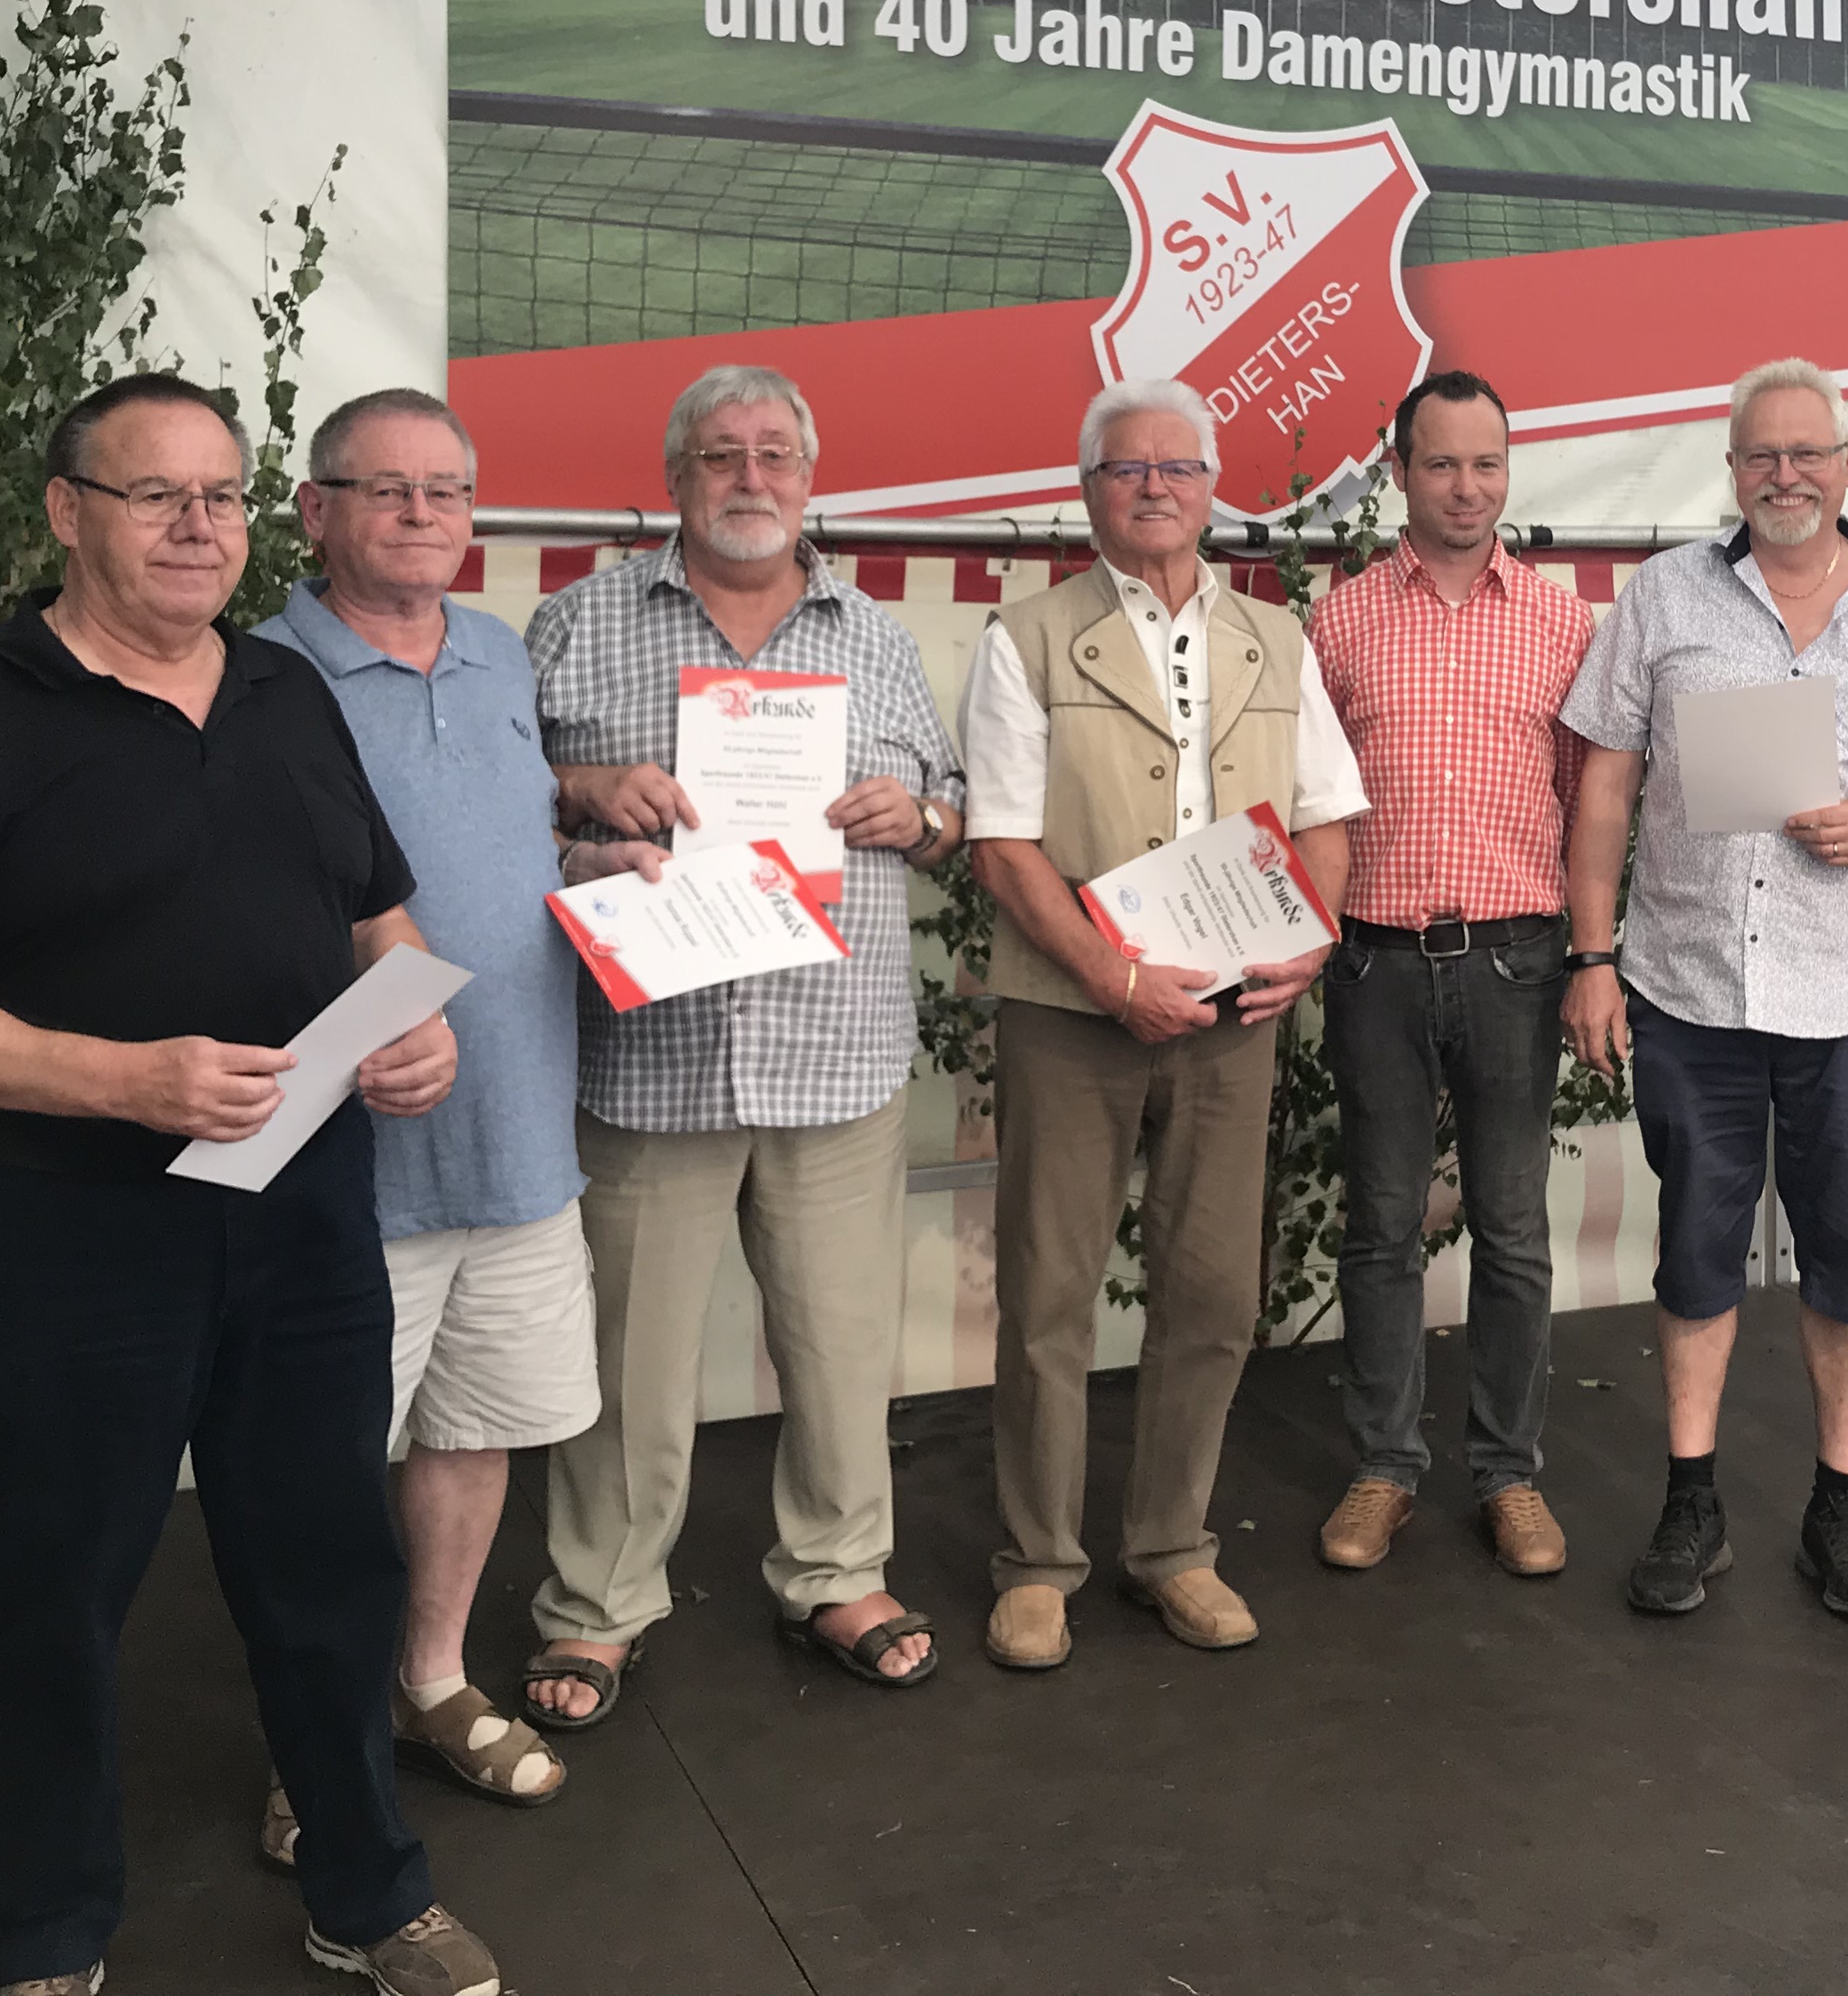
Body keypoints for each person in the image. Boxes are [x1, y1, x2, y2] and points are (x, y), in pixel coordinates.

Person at [0, 372, 501, 1996]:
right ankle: (44, 1933)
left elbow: (377, 915)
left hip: (301, 1216)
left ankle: (367, 1891)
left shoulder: (284, 691)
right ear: (67, 513)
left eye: (220, 495)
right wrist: (125, 1079)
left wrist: (413, 1023)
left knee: (330, 1568)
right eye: (156, 495)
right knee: (59, 1595)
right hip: (54, 1240)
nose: (200, 527)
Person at [521, 364, 967, 1718]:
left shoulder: (877, 637)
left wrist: (920, 819)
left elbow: (950, 805)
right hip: (650, 1052)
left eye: (776, 453)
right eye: (721, 455)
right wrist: (581, 787)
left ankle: (837, 1570)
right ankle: (598, 1605)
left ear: (810, 479)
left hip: (835, 1051)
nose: (751, 477)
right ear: (676, 478)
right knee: (630, 1363)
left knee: (839, 1346)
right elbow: (499, 802)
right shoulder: (578, 621)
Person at [1560, 358, 1848, 1624]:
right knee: (1694, 1252)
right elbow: (1605, 783)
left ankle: (1838, 1506)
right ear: (1733, 469)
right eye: (1762, 455)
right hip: (1689, 989)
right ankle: (1691, 1501)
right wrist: (1592, 958)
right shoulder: (1665, 596)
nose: (1786, 475)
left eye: (1809, 453)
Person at [959, 378, 1367, 1667]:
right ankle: (1038, 1564)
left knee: (1214, 1294)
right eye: (1126, 468)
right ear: (1088, 491)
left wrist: (1310, 941)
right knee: (1048, 1296)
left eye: (1178, 467)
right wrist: (1110, 977)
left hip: (1238, 1017)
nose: (1154, 486)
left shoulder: (1278, 640)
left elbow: (1327, 815)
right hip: (1072, 1014)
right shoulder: (1024, 637)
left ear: (1211, 487)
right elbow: (1003, 845)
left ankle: (1172, 1547)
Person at [256, 388, 592, 1836]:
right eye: (384, 489)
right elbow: (234, 904)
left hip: (519, 1140)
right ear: (315, 509)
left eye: (446, 491)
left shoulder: (503, 653)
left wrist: (605, 861)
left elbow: (505, 839)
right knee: (321, 1472)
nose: (420, 515)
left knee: (476, 1427)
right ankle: (315, 1743)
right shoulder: (256, 673)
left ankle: (431, 1679)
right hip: (349, 1160)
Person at [1306, 370, 1597, 1581]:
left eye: (1487, 464)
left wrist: (1592, 958)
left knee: (1514, 1232)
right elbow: (1309, 801)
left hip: (1517, 962)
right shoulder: (1340, 622)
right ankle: (1385, 1468)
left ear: (1508, 471)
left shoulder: (1565, 624)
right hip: (1374, 960)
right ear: (1399, 473)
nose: (1467, 488)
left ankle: (1508, 1474)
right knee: (1380, 1227)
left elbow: (1587, 805)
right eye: (1441, 464)